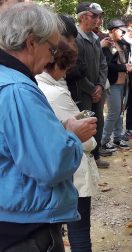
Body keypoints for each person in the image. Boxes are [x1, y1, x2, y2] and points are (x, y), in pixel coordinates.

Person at [0, 3, 97, 251]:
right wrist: (72, 136)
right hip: (27, 227)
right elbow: (51, 165)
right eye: (52, 48)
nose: (54, 57)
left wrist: (57, 130)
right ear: (31, 42)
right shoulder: (18, 90)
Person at [37, 36, 100, 252]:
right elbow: (86, 141)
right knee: (80, 230)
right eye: (64, 68)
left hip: (53, 168)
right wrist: (89, 137)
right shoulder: (55, 93)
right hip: (73, 169)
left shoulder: (34, 86)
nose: (65, 73)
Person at [74, 2, 110, 168]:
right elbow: (75, 68)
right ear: (82, 17)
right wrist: (91, 89)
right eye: (94, 15)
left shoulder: (96, 38)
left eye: (99, 16)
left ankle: (95, 157)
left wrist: (100, 86)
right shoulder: (76, 38)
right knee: (86, 123)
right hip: (82, 92)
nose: (98, 19)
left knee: (98, 122)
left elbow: (103, 64)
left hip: (97, 90)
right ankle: (85, 160)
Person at [100, 19, 132, 151]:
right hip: (112, 83)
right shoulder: (106, 44)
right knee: (113, 113)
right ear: (112, 30)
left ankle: (118, 138)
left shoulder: (123, 43)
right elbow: (107, 65)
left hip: (124, 82)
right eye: (121, 31)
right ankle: (104, 140)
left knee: (119, 112)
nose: (124, 33)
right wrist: (124, 67)